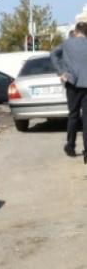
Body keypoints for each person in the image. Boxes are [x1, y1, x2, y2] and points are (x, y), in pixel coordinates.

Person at [51, 21, 87, 163]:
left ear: (76, 31)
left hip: (72, 83)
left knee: (73, 115)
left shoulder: (67, 44)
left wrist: (61, 72)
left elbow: (53, 54)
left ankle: (71, 147)